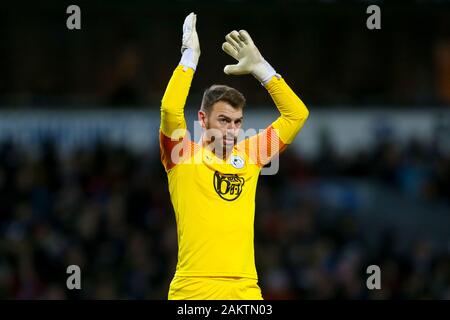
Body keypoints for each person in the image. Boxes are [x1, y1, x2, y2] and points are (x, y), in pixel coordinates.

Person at [160, 12, 309, 300]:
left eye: (237, 122)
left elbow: (296, 115)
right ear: (203, 119)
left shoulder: (251, 154)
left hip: (245, 289)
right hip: (194, 288)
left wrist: (261, 69)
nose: (232, 130)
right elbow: (170, 110)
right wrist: (189, 58)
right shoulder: (181, 155)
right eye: (224, 120)